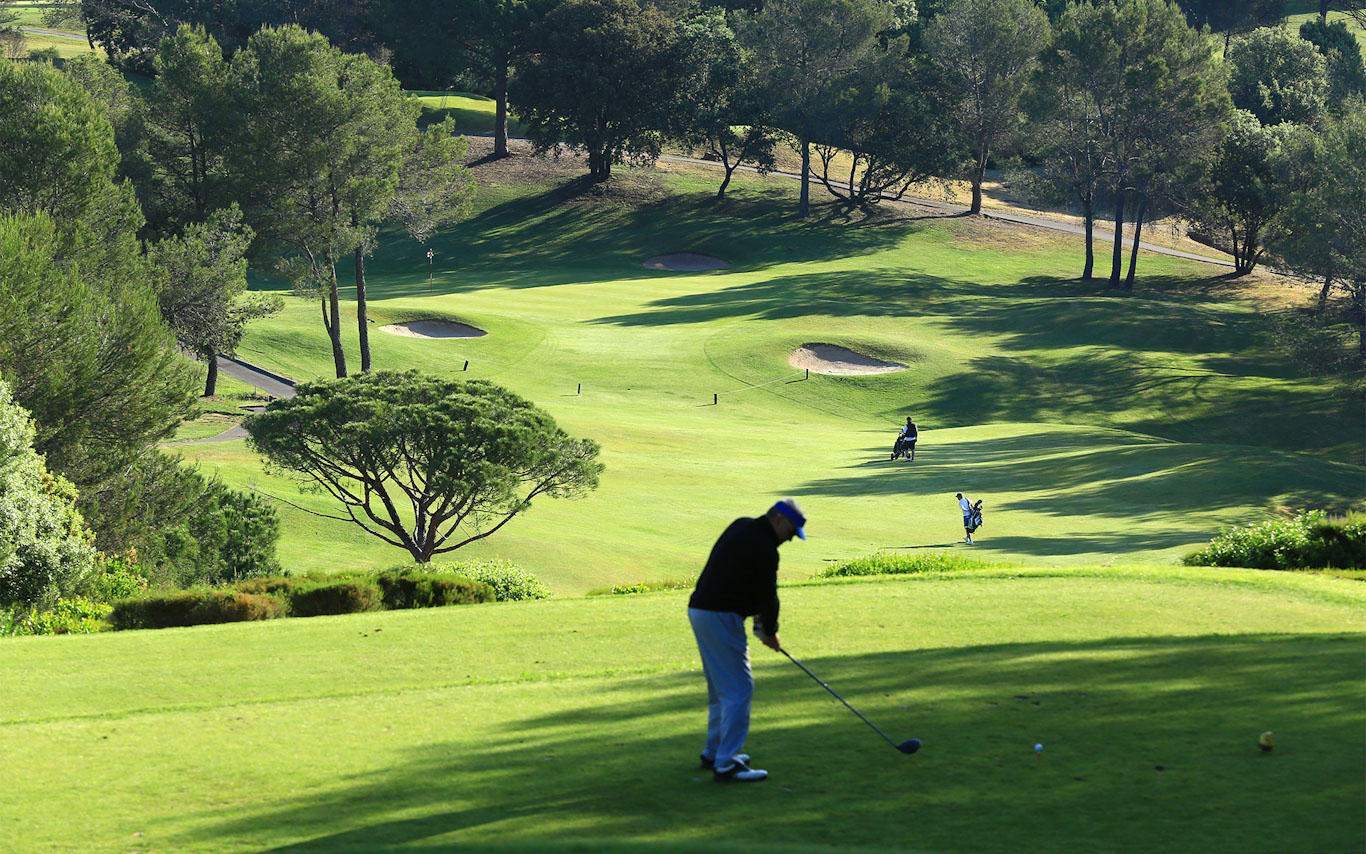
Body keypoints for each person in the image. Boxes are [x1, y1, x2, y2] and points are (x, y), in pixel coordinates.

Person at [687, 498, 806, 783]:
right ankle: (726, 765)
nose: (789, 540)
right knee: (739, 690)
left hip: (700, 611)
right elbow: (768, 595)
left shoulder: (742, 526)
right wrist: (769, 631)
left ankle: (714, 753)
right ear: (779, 521)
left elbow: (740, 580)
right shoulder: (765, 547)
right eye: (790, 532)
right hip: (720, 616)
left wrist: (759, 622)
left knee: (721, 691)